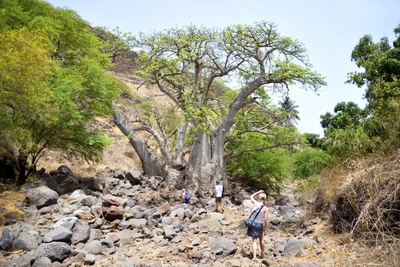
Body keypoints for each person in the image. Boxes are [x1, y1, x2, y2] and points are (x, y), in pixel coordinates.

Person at [247, 190, 268, 260]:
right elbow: (265, 220)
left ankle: (254, 257)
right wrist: (265, 229)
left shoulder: (255, 203)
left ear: (259, 198)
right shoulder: (265, 208)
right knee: (261, 239)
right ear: (265, 199)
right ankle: (262, 253)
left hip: (253, 224)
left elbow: (251, 196)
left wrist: (258, 192)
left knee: (254, 240)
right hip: (260, 224)